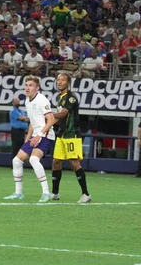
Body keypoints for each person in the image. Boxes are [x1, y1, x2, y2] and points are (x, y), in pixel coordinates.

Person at [4, 75, 56, 203]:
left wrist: (39, 135)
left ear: (37, 87)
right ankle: (18, 193)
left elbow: (51, 120)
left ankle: (46, 193)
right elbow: (32, 122)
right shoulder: (27, 101)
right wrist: (28, 138)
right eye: (26, 85)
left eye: (30, 85)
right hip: (35, 135)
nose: (27, 88)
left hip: (46, 135)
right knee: (16, 161)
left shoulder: (41, 100)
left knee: (33, 159)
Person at [51, 73, 91, 203]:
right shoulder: (58, 97)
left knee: (74, 163)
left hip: (71, 134)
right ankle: (55, 193)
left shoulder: (71, 97)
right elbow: (58, 119)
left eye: (63, 80)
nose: (60, 82)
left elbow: (63, 114)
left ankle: (86, 194)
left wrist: (48, 115)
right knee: (56, 162)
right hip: (61, 134)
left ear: (68, 82)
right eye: (58, 80)